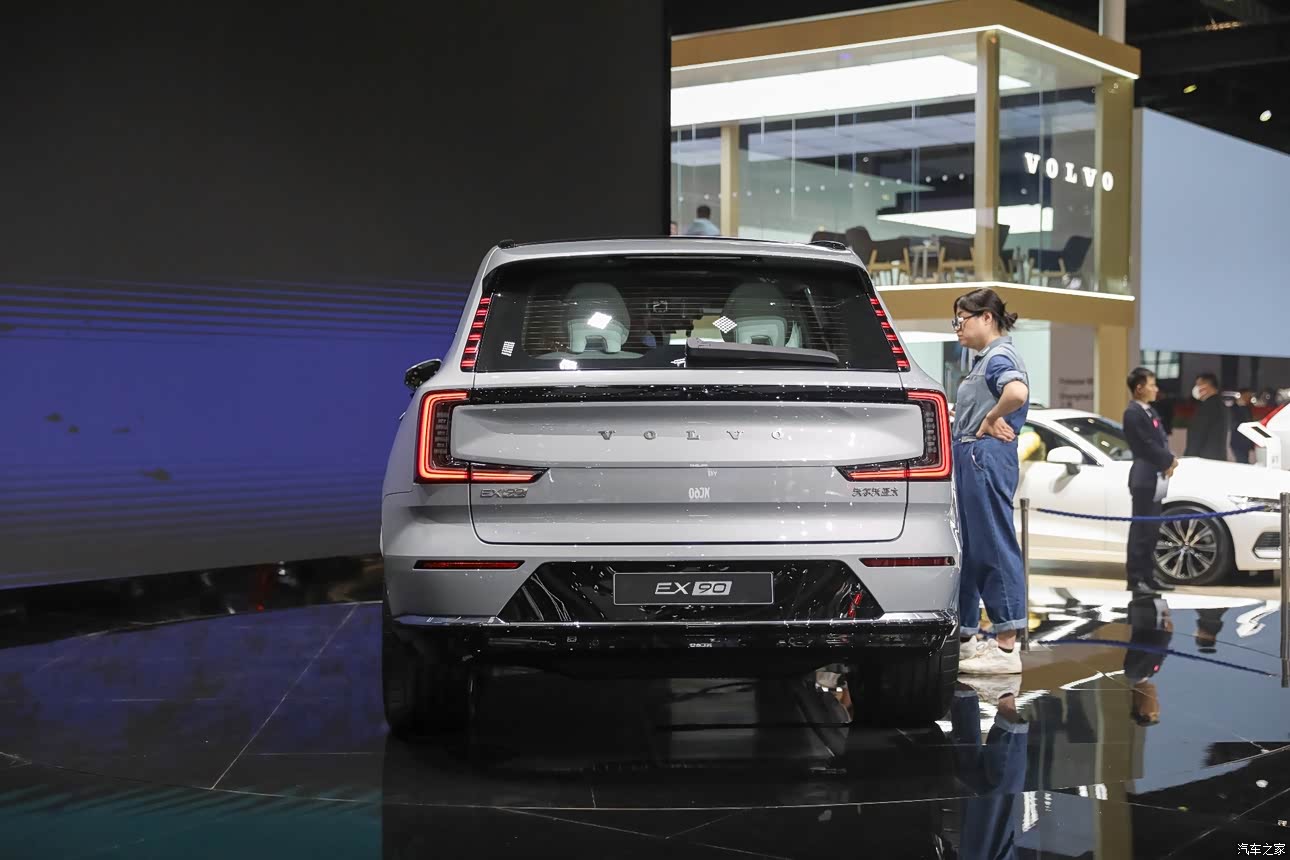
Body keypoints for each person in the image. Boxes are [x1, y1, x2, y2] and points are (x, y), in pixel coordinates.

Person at [953, 288, 1030, 675]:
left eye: (961, 319)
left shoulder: (1000, 357)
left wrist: (989, 418)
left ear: (986, 317)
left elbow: (1017, 392)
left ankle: (1006, 646)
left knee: (993, 546)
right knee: (970, 548)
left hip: (984, 456)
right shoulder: (983, 360)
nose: (957, 328)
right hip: (971, 456)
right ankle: (966, 637)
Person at [1123, 367, 1178, 594]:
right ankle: (1135, 578)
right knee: (1141, 529)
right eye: (1152, 385)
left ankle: (1149, 575)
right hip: (1144, 476)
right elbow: (1145, 444)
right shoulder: (1132, 413)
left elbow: (1160, 440)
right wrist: (1169, 460)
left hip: (1157, 476)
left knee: (1152, 530)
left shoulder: (1150, 411)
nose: (1156, 389)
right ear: (1139, 388)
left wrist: (1168, 460)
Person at [1183, 372, 1228, 461]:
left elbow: (1197, 435)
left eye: (1198, 385)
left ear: (1206, 386)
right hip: (1217, 457)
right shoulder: (1220, 404)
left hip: (1204, 458)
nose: (1195, 388)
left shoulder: (1207, 407)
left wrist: (1188, 457)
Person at [1230, 389, 1254, 464]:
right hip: (1238, 442)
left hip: (1245, 443)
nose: (1249, 398)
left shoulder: (1246, 408)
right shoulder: (1234, 409)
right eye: (1248, 396)